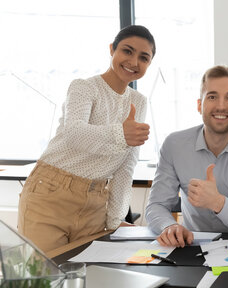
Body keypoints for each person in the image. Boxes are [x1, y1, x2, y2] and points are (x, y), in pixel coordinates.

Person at [18, 25, 155, 252]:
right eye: (127, 51)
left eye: (144, 57)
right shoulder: (84, 87)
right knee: (43, 281)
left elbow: (126, 166)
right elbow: (74, 134)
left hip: (95, 203)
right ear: (112, 50)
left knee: (88, 279)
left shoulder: (138, 102)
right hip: (50, 194)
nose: (133, 61)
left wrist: (115, 220)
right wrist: (121, 133)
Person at [145, 65, 228, 247]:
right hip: (191, 247)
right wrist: (170, 226)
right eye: (212, 97)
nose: (221, 106)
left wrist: (218, 203)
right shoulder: (174, 145)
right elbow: (156, 205)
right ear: (199, 104)